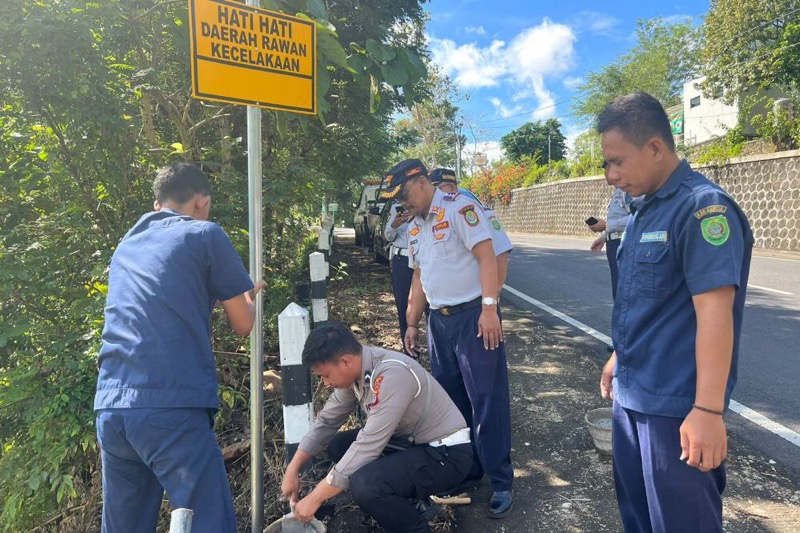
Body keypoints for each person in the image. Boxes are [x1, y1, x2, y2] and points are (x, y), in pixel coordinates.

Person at [596, 93, 753, 533]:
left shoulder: (702, 208)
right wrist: (618, 356)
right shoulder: (645, 210)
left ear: (654, 148)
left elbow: (716, 314)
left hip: (675, 409)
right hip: (632, 397)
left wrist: (707, 410)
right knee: (640, 519)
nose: (611, 176)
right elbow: (645, 302)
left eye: (617, 161)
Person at [94, 162, 265, 533]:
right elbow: (243, 323)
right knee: (208, 521)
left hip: (112, 407)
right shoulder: (205, 234)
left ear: (158, 203)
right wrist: (247, 292)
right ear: (201, 202)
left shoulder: (127, 243)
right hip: (170, 404)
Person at [382, 159, 514, 518]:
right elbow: (418, 278)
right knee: (452, 404)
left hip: (474, 318)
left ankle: (501, 480)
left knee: (487, 399)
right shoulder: (414, 225)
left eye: (405, 196)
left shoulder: (459, 208)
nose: (402, 205)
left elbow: (488, 257)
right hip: (438, 324)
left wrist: (490, 308)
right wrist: (411, 323)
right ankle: (468, 469)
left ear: (423, 182)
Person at [280, 322, 473, 533]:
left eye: (325, 375)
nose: (325, 383)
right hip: (413, 443)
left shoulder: (391, 375)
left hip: (447, 455)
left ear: (345, 361)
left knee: (366, 485)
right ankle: (410, 500)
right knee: (339, 446)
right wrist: (293, 467)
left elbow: (368, 446)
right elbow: (327, 421)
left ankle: (415, 528)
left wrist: (315, 497)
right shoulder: (357, 371)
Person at [428, 167, 514, 290]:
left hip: (475, 298)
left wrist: (495, 292)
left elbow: (501, 253)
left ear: (452, 187)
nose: (433, 195)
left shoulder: (480, 213)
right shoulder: (433, 218)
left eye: (437, 189)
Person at [588, 185, 635, 300]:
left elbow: (639, 217)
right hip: (614, 243)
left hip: (624, 243)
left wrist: (606, 225)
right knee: (618, 287)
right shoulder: (618, 191)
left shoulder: (629, 189)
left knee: (624, 289)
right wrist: (604, 237)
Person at [384, 200, 416, 348]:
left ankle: (436, 350)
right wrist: (395, 225)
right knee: (403, 307)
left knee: (432, 306)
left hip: (424, 259)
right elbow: (388, 236)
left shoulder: (426, 206)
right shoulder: (396, 208)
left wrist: (417, 215)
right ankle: (409, 352)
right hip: (402, 260)